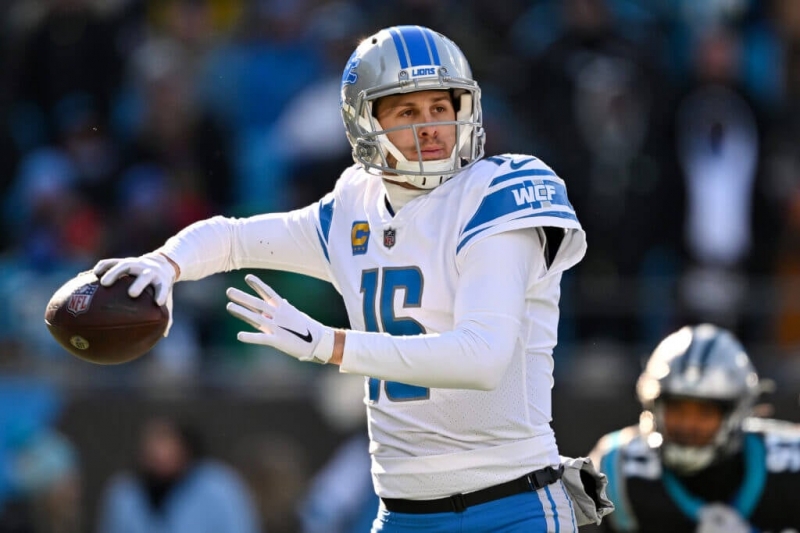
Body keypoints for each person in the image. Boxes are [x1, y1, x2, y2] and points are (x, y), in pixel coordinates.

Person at [92, 25, 600, 532]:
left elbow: (482, 356)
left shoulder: (497, 191)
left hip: (510, 503)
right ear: (365, 121)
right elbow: (234, 239)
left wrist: (330, 345)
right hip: (402, 512)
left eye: (439, 107)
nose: (430, 127)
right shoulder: (355, 206)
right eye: (407, 112)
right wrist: (166, 263)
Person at [588, 323, 800, 532]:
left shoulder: (790, 466)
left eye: (704, 412)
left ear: (734, 414)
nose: (688, 424)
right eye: (677, 409)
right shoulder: (617, 469)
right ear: (655, 406)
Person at [96, 416, 260, 533]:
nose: (159, 453)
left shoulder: (219, 487)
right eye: (153, 444)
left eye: (166, 443)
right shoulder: (124, 493)